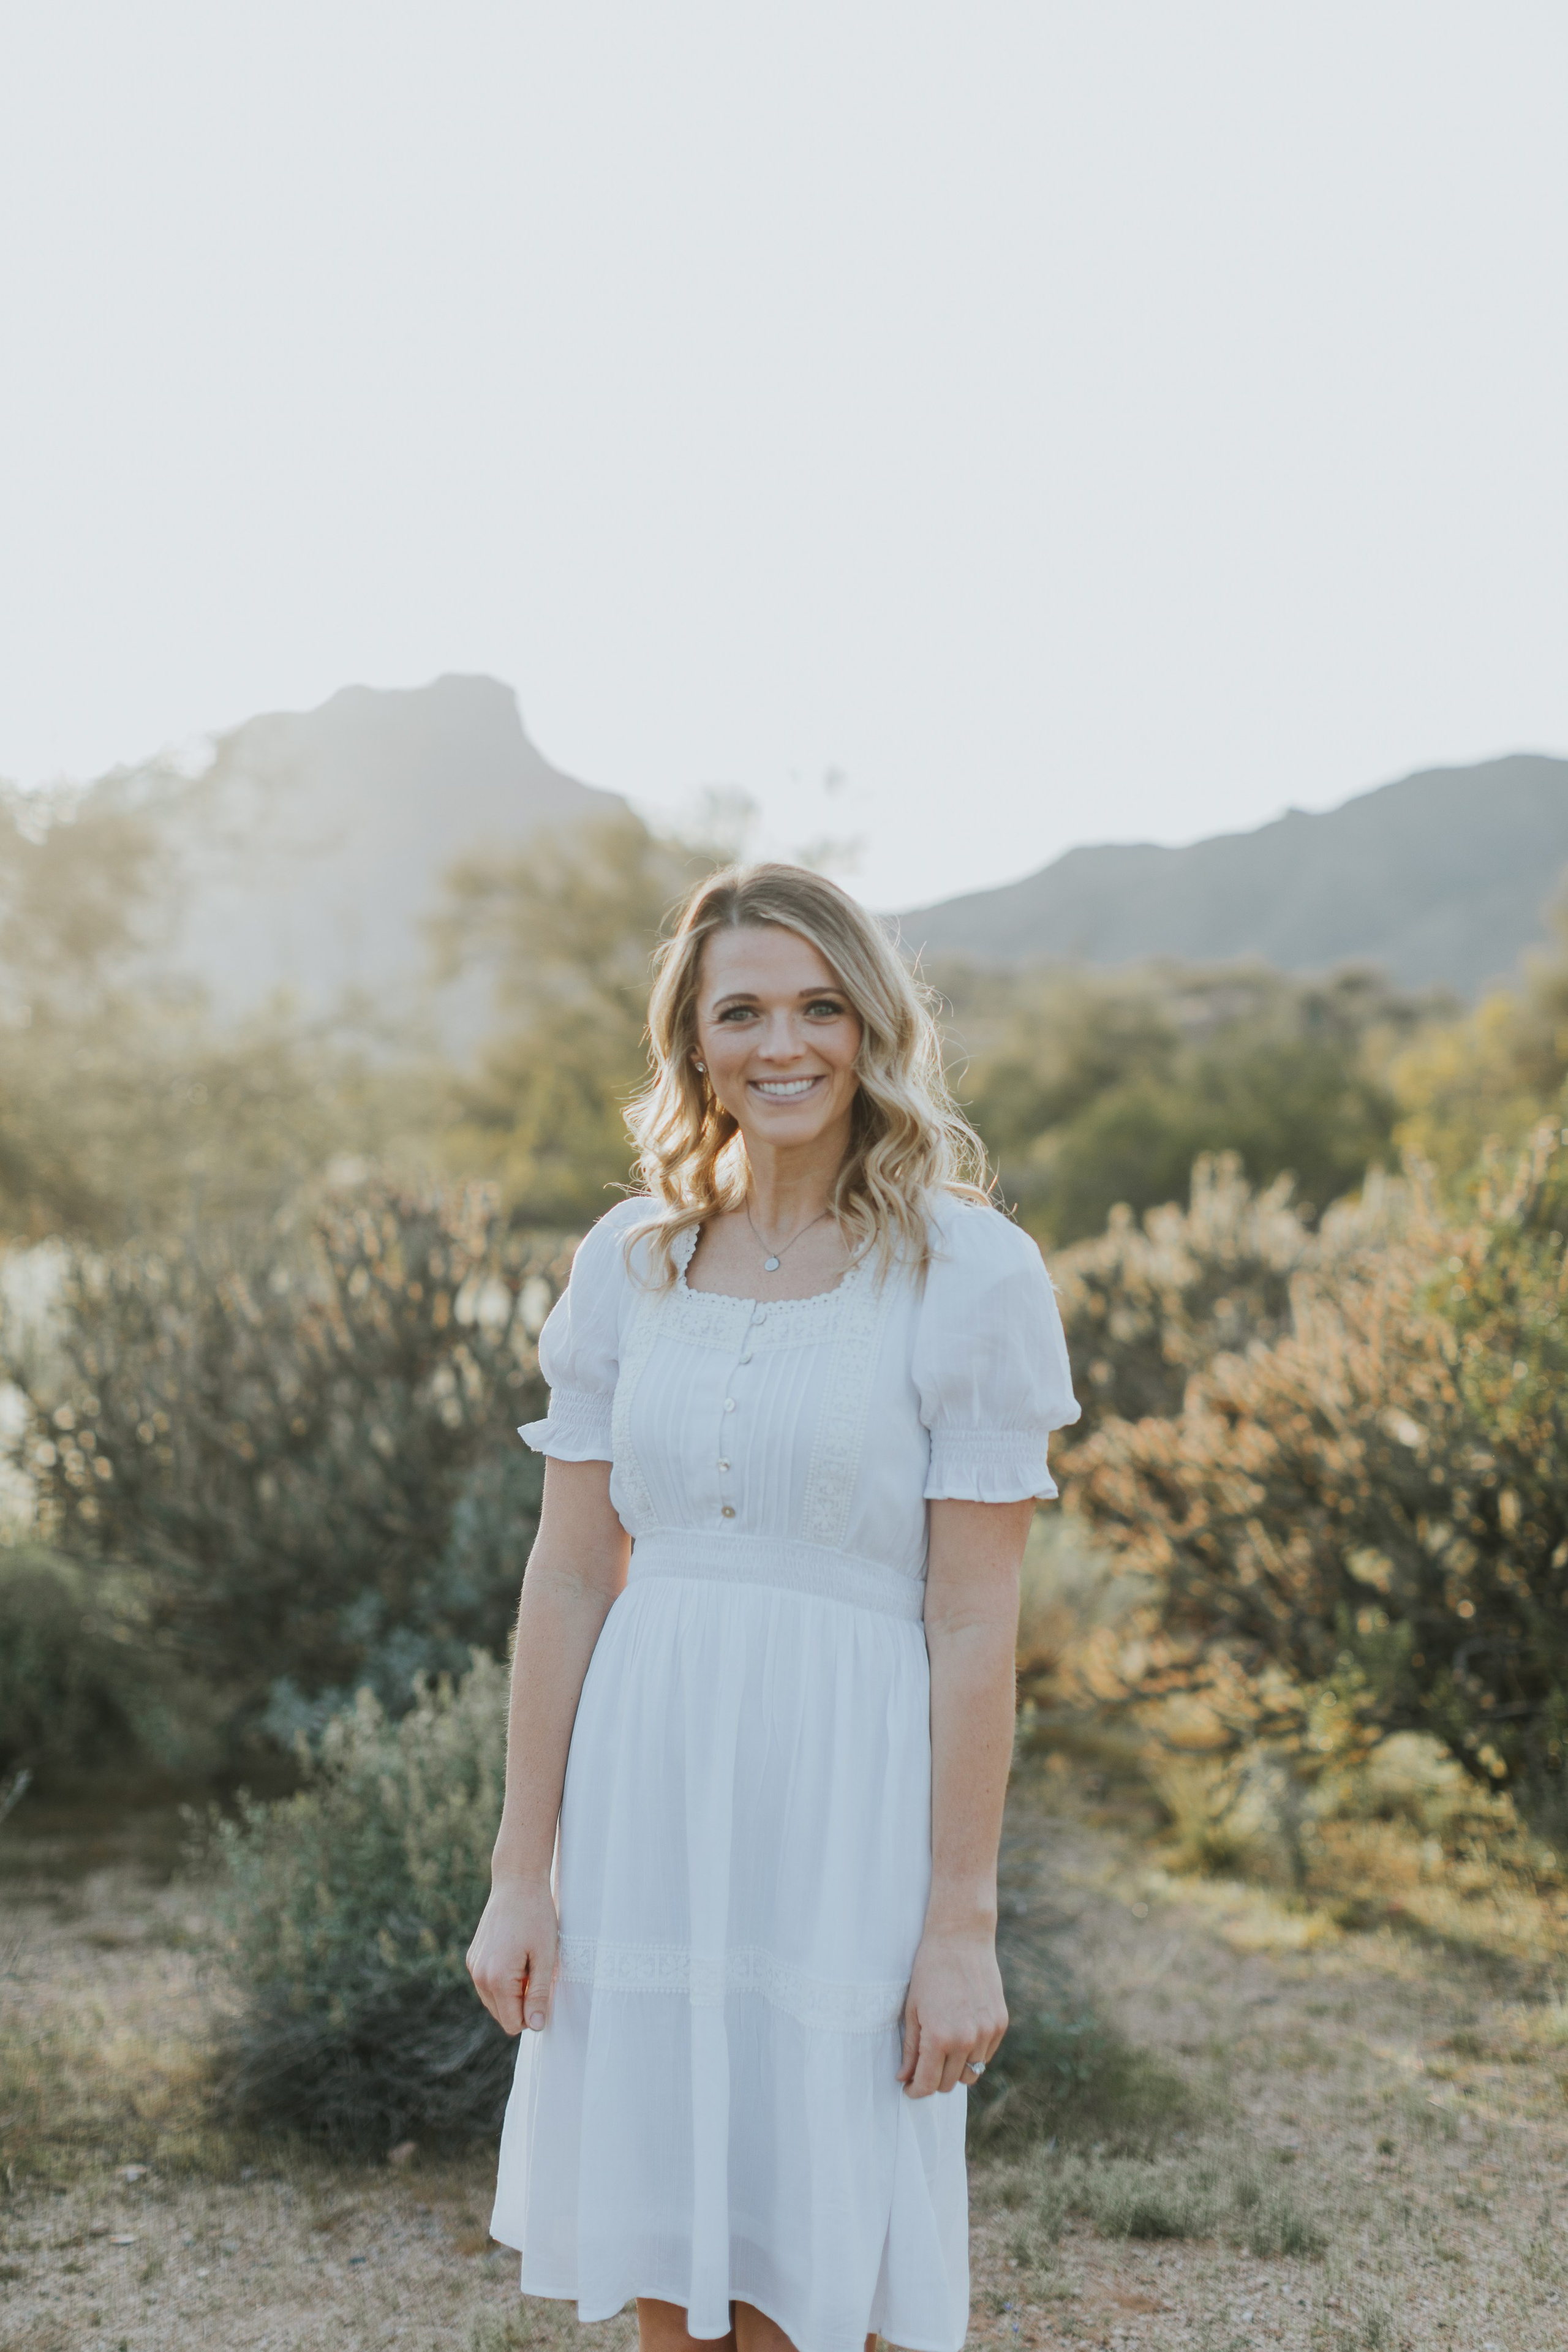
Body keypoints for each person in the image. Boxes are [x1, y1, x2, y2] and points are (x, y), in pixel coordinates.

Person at [467, 863, 1079, 2352]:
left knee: (829, 2248)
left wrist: (958, 1923)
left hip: (850, 1805)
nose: (781, 1044)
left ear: (872, 1028)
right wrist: (520, 1868)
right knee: (673, 2241)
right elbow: (566, 1572)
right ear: (692, 1042)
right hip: (652, 1788)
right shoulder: (630, 1262)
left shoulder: (969, 1273)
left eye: (818, 1005)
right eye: (740, 1010)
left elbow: (970, 1620)